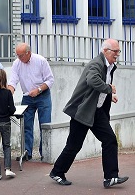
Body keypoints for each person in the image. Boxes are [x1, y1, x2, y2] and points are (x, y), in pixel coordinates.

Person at [49, 38, 129, 189]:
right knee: (74, 145)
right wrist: (109, 89)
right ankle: (57, 172)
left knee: (110, 140)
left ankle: (111, 177)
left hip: (96, 112)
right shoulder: (96, 64)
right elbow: (93, 81)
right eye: (115, 51)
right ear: (105, 51)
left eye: (119, 51)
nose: (117, 54)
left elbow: (96, 89)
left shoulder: (109, 65)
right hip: (83, 111)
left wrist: (109, 96)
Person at [8, 43, 54, 161]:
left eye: (21, 55)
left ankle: (45, 152)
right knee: (26, 125)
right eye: (17, 55)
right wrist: (8, 94)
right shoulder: (17, 63)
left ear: (28, 53)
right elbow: (13, 81)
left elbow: (50, 80)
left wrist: (38, 90)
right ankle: (27, 152)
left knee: (44, 124)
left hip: (43, 95)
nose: (19, 58)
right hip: (27, 96)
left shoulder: (40, 61)